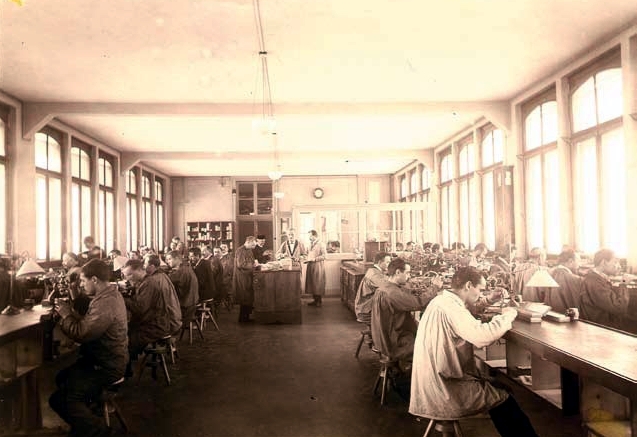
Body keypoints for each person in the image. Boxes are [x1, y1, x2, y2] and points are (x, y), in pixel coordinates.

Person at [409, 266, 538, 437]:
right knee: (504, 398)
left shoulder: (442, 301)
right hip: (445, 390)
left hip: (431, 383)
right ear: (468, 285)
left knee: (499, 387)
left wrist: (488, 299)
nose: (481, 294)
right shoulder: (451, 308)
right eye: (480, 289)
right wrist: (508, 314)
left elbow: (465, 313)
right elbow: (482, 336)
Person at [49, 259, 128, 437]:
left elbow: (82, 333)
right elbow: (90, 322)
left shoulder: (105, 302)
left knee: (61, 399)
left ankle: (99, 431)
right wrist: (71, 311)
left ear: (94, 279)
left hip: (107, 367)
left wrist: (66, 315)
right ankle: (85, 421)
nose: (82, 285)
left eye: (83, 281)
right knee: (62, 378)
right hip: (105, 360)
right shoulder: (108, 295)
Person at [370, 258, 440, 367]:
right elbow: (419, 303)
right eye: (407, 273)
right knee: (433, 344)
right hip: (395, 343)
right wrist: (434, 287)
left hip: (382, 339)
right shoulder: (392, 293)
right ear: (398, 272)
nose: (409, 276)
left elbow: (401, 293)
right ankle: (423, 378)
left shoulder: (385, 287)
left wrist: (413, 291)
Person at [121, 259, 182, 362]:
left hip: (156, 326)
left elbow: (139, 308)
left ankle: (124, 371)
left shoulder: (149, 284)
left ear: (140, 271)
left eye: (129, 275)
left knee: (124, 340)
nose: (127, 278)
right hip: (155, 322)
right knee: (126, 331)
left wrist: (123, 299)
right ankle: (128, 365)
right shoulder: (146, 281)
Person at [580, 248, 637, 332]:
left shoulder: (597, 277)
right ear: (604, 262)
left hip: (606, 321)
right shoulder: (594, 282)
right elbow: (619, 308)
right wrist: (623, 283)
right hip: (603, 327)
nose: (619, 266)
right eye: (615, 262)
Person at [354, 252, 391, 325]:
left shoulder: (374, 271)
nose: (389, 265)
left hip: (367, 306)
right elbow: (387, 286)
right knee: (397, 313)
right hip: (365, 310)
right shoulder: (374, 274)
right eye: (387, 262)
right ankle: (382, 334)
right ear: (380, 262)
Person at [165, 250, 199, 330]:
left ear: (177, 259)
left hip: (185, 306)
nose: (167, 262)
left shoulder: (181, 271)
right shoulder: (186, 267)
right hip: (192, 302)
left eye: (169, 259)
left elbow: (166, 281)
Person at [544, 248, 583, 313]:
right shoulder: (573, 279)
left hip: (550, 315)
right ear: (570, 261)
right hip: (565, 317)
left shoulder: (550, 272)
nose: (580, 264)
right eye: (579, 261)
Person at [234, 236, 258, 322]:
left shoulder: (249, 249)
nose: (254, 247)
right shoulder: (240, 250)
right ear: (248, 242)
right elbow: (241, 264)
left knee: (248, 297)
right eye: (253, 245)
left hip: (248, 276)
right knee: (245, 297)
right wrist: (253, 265)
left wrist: (254, 262)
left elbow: (250, 260)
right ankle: (243, 319)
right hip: (243, 277)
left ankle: (246, 317)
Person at [306, 230, 327, 307]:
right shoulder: (309, 244)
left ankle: (319, 301)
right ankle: (315, 300)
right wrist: (306, 258)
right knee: (312, 283)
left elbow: (325, 256)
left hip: (318, 265)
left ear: (315, 236)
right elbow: (307, 253)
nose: (309, 237)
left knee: (317, 283)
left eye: (310, 236)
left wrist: (315, 259)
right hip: (310, 264)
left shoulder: (321, 244)